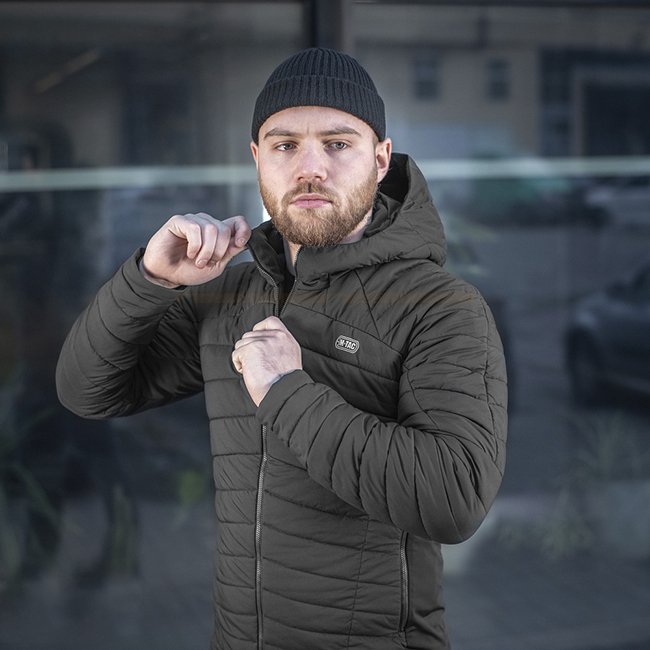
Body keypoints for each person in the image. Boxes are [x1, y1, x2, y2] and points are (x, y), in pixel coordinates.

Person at [56, 47, 507, 649]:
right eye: (285, 145)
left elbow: (454, 500)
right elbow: (86, 392)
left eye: (337, 143)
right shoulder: (228, 294)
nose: (309, 168)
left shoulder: (440, 306)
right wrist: (150, 280)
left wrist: (287, 392)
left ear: (380, 159)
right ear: (257, 158)